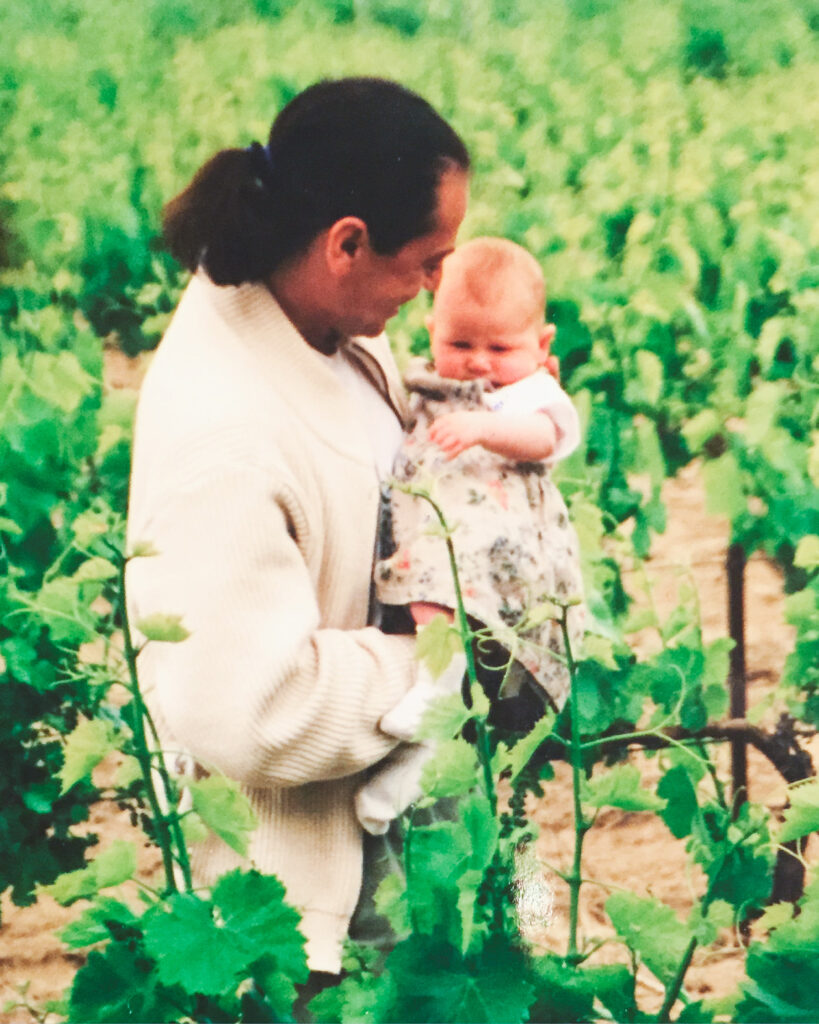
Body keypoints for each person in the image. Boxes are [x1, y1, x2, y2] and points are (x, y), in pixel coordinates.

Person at [125, 77, 470, 979]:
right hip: (293, 909)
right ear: (346, 243)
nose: (438, 284)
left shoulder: (327, 317)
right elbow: (252, 711)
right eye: (428, 260)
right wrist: (434, 656)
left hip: (374, 843)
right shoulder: (225, 435)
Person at [355, 238, 584, 834]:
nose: (479, 362)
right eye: (459, 344)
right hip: (433, 536)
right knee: (425, 597)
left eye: (500, 347)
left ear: (542, 346)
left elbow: (546, 437)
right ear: (432, 331)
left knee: (441, 600)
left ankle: (440, 686)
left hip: (494, 554)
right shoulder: (429, 386)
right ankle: (417, 752)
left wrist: (485, 426)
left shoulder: (530, 391)